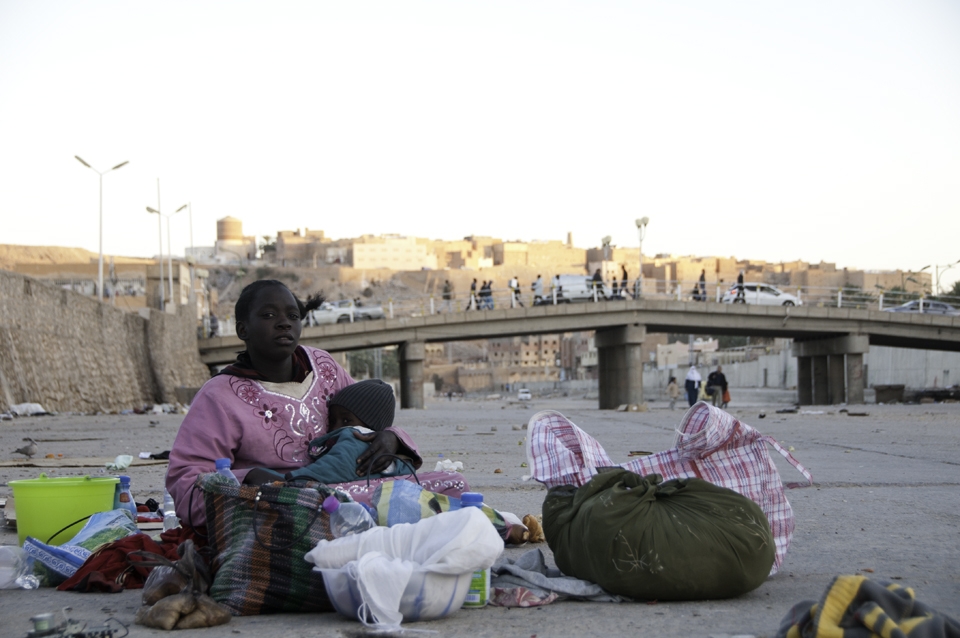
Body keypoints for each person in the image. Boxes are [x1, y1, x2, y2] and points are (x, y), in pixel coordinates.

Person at [166, 280, 424, 528]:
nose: (284, 324)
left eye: (293, 316)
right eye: (268, 315)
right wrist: (252, 484)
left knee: (451, 484)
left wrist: (390, 438)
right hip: (277, 509)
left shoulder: (324, 366)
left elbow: (368, 417)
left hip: (349, 490)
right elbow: (186, 484)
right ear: (242, 329)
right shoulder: (219, 396)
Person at [252, 379, 416, 485]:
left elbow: (337, 466)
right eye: (332, 421)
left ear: (371, 425)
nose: (336, 427)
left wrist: (288, 480)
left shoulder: (357, 439)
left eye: (346, 421)